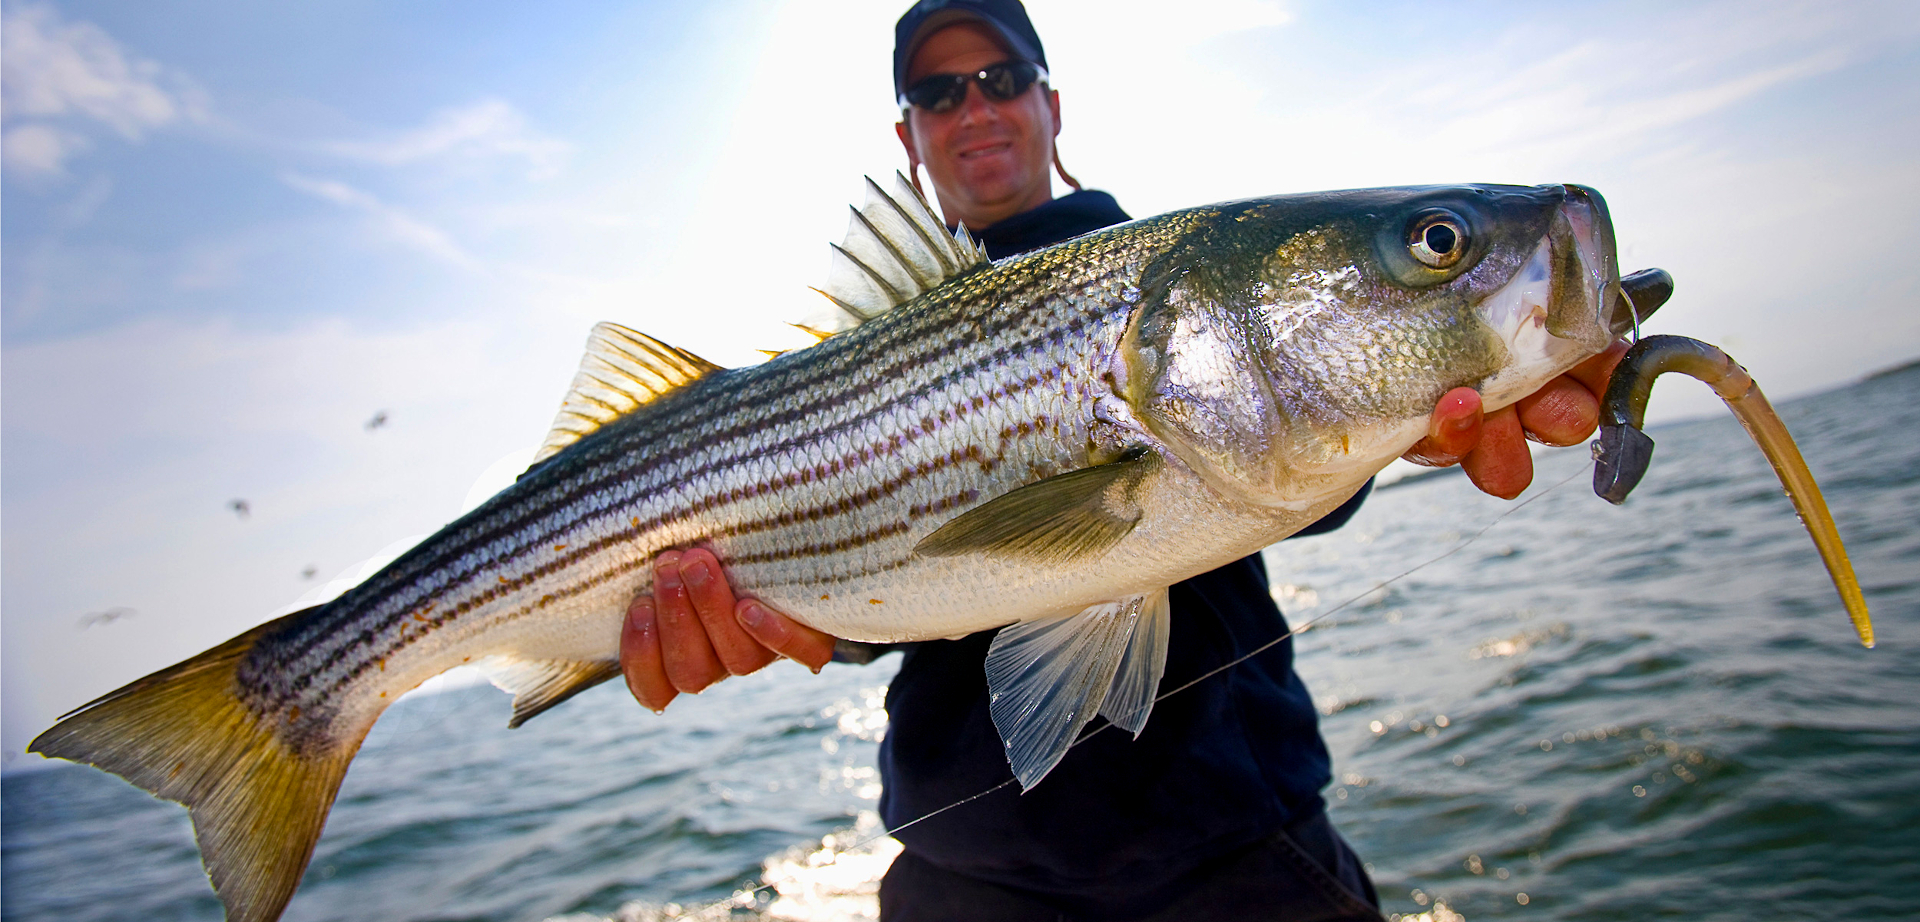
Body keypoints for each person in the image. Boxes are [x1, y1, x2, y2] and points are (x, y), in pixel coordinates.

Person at [618, 3, 1627, 919]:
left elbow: (1291, 473)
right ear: (908, 137)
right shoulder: (873, 337)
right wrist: (777, 621)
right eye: (938, 92)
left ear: (1050, 105)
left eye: (1002, 78)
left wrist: (1412, 420)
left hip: (1235, 851)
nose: (975, 107)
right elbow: (884, 585)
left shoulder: (1168, 264)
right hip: (964, 878)